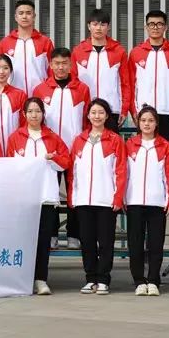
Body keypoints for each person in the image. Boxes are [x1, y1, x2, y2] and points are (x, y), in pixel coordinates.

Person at [6, 97, 70, 296]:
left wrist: (54, 158)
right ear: (24, 114)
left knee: (43, 240)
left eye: (38, 111)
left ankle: (41, 279)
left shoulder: (52, 138)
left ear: (43, 114)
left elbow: (66, 162)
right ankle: (22, 279)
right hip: (23, 198)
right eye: (30, 111)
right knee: (22, 238)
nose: (34, 115)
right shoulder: (15, 138)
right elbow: (9, 167)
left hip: (46, 197)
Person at [32, 47, 91, 249]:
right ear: (50, 65)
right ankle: (52, 234)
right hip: (50, 151)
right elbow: (36, 118)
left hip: (75, 149)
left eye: (64, 63)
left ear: (71, 65)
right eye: (56, 63)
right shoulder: (40, 89)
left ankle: (74, 234)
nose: (60, 67)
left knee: (75, 191)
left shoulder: (82, 89)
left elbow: (87, 118)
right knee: (50, 193)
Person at [66, 98, 126, 295]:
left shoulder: (115, 140)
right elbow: (73, 172)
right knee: (87, 242)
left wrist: (118, 197)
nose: (97, 116)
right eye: (93, 113)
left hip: (106, 200)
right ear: (88, 116)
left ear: (107, 116)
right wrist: (72, 196)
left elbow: (121, 171)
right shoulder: (79, 140)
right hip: (84, 200)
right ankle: (90, 278)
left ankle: (103, 279)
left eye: (101, 112)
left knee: (106, 242)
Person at [124, 105, 169, 296]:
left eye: (150, 120)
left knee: (156, 244)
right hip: (134, 202)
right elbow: (124, 173)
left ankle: (154, 280)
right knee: (135, 243)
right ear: (138, 123)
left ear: (157, 123)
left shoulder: (165, 145)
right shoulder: (129, 144)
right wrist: (122, 197)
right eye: (143, 120)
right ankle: (139, 280)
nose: (147, 124)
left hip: (157, 203)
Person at [128, 10, 169, 141]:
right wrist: (133, 110)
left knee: (167, 150)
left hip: (167, 112)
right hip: (144, 112)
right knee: (145, 149)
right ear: (146, 27)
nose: (155, 27)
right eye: (151, 24)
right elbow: (130, 84)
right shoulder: (136, 53)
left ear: (165, 27)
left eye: (159, 24)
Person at [71, 9, 131, 132]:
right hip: (85, 109)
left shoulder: (119, 51)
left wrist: (124, 109)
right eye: (95, 24)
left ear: (108, 27)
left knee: (110, 143)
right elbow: (73, 81)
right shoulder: (78, 51)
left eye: (103, 24)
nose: (98, 28)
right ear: (89, 26)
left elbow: (125, 83)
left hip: (111, 109)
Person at [0, 0, 54, 96]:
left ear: (34, 16)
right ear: (16, 17)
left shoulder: (45, 42)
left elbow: (52, 70)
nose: (24, 16)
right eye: (21, 13)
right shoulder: (5, 43)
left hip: (40, 96)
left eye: (28, 13)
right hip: (12, 97)